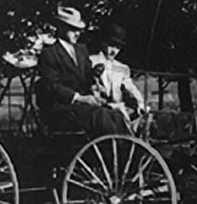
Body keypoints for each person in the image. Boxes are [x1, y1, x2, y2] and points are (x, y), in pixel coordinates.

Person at [36, 7, 130, 137]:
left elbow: (85, 77)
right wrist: (79, 98)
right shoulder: (49, 54)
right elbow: (52, 86)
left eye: (79, 30)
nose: (77, 33)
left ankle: (126, 148)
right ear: (61, 27)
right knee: (101, 116)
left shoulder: (81, 50)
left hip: (82, 107)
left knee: (115, 113)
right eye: (73, 29)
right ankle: (119, 149)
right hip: (61, 109)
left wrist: (94, 73)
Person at [88, 23, 148, 126]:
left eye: (118, 48)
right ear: (103, 42)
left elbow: (131, 88)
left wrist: (141, 103)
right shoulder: (91, 62)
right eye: (111, 45)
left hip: (117, 107)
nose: (114, 51)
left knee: (138, 116)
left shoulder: (121, 68)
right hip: (98, 109)